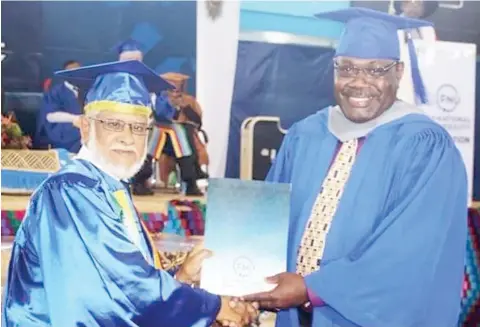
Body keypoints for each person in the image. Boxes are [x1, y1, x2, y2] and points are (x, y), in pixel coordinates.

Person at [243, 8, 467, 327]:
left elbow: (409, 251)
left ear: (398, 73)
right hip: (293, 317)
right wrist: (236, 263)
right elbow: (266, 219)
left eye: (376, 70)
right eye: (347, 68)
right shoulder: (305, 134)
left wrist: (312, 288)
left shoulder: (425, 146)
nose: (359, 83)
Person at [2, 60, 258, 327]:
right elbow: (118, 289)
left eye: (138, 127)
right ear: (87, 127)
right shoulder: (71, 191)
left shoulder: (110, 188)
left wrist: (180, 276)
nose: (127, 137)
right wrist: (212, 307)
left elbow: (125, 275)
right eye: (114, 124)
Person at [138, 72, 208, 196]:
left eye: (177, 84)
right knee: (147, 152)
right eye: (171, 84)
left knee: (186, 150)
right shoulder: (157, 97)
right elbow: (158, 115)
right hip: (159, 130)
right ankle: (140, 182)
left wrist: (183, 107)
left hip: (179, 133)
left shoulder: (187, 100)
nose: (175, 87)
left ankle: (191, 183)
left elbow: (197, 120)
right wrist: (170, 105)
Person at [34, 60, 83, 153]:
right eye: (71, 71)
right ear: (64, 74)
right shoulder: (55, 93)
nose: (75, 74)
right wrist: (77, 120)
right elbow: (49, 116)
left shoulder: (89, 90)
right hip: (63, 134)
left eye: (78, 71)